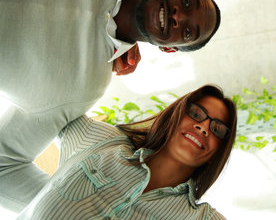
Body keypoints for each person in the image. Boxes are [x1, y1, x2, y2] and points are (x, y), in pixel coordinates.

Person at [0, 0, 220, 210]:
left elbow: (3, 168)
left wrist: (79, 210)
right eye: (188, 2)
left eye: (188, 30)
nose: (180, 15)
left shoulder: (85, 86)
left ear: (169, 50)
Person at [13, 84, 237, 218]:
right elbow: (48, 96)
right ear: (175, 115)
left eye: (217, 129)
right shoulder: (100, 139)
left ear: (218, 152)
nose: (204, 127)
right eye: (196, 114)